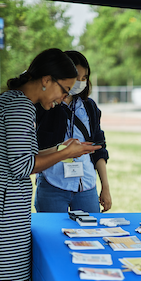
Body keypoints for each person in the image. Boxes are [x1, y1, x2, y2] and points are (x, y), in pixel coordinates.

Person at [0, 48, 100, 281]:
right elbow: (22, 166)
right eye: (64, 90)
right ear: (46, 80)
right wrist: (64, 154)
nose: (63, 98)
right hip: (3, 208)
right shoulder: (21, 107)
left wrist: (61, 147)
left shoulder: (11, 99)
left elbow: (23, 155)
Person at [35, 50, 112, 213]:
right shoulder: (45, 104)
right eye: (76, 77)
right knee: (53, 236)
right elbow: (32, 150)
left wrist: (105, 187)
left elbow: (99, 148)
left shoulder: (89, 107)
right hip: (52, 183)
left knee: (91, 234)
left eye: (84, 79)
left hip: (86, 185)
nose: (79, 82)